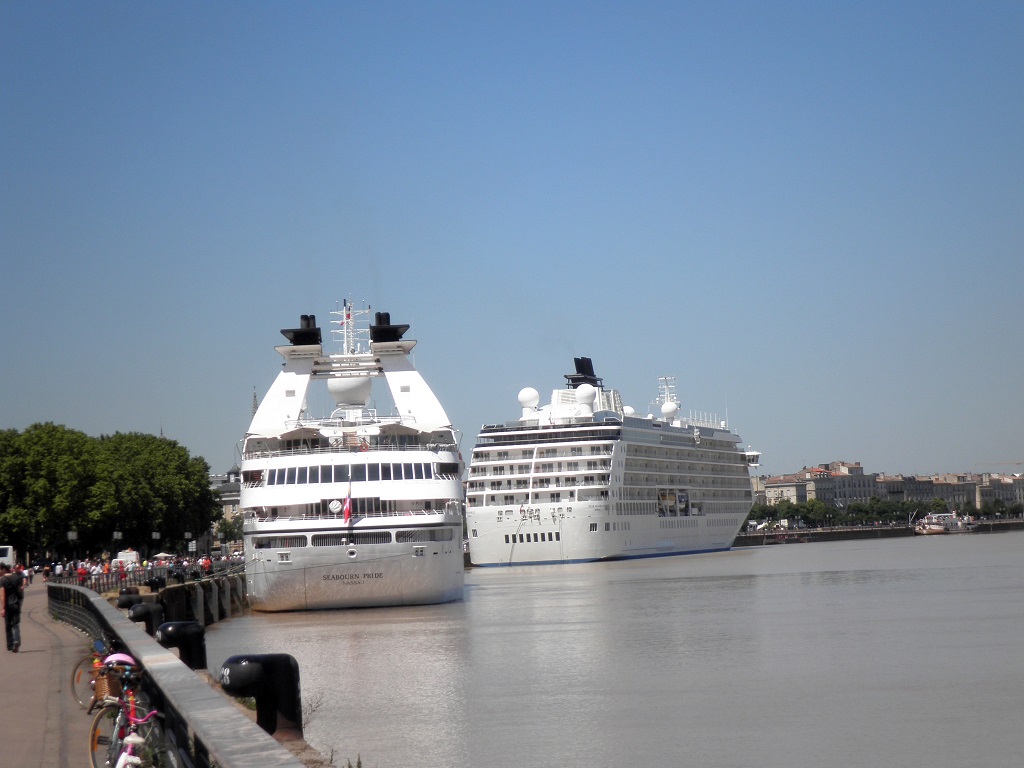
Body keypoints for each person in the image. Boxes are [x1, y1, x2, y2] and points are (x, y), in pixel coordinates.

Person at [1, 562, 25, 652]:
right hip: (16, 603)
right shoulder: (16, 577)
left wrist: (3, 608)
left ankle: (10, 645)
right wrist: (20, 602)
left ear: (3, 569)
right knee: (16, 624)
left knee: (8, 626)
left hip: (8, 605)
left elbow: (2, 594)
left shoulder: (2, 580)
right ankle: (17, 641)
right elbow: (20, 591)